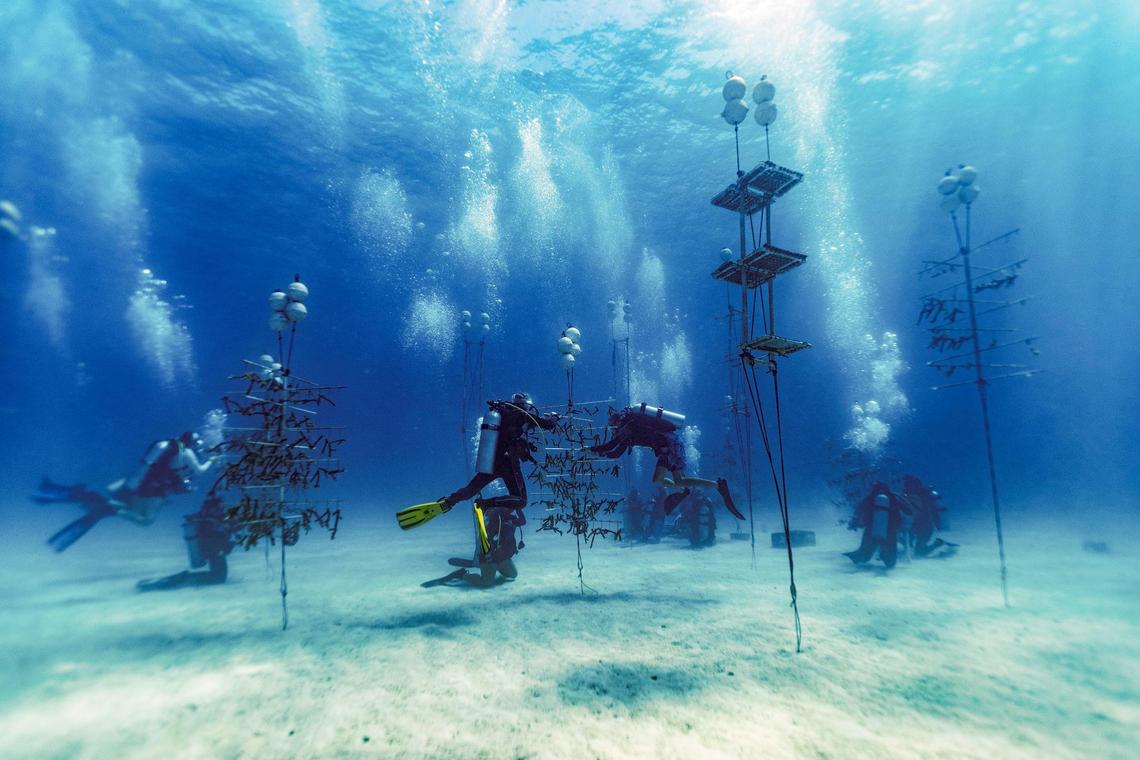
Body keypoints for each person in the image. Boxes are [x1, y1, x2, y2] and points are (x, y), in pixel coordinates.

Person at [402, 392, 558, 586]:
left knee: (469, 490)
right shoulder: (522, 414)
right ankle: (484, 504)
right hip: (508, 463)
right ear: (525, 405)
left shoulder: (502, 414)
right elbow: (547, 425)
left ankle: (448, 502)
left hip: (491, 462)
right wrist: (554, 419)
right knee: (521, 500)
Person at [34, 431, 217, 552]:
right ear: (191, 443)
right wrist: (213, 458)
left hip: (134, 482)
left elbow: (151, 466)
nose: (197, 448)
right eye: (197, 444)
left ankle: (57, 493)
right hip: (151, 491)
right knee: (144, 520)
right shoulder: (186, 453)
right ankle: (108, 506)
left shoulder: (164, 445)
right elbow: (200, 471)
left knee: (111, 505)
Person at [589, 403, 744, 521]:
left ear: (618, 423)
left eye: (612, 427)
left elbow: (612, 446)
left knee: (677, 479)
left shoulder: (628, 428)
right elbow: (616, 451)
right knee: (660, 479)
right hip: (667, 446)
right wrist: (596, 453)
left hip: (669, 447)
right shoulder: (628, 431)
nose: (612, 430)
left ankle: (716, 485)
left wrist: (591, 450)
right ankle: (688, 490)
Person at [137, 494, 234, 591]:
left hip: (214, 552)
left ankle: (177, 579)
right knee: (218, 578)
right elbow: (216, 539)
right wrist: (227, 544)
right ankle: (171, 582)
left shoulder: (209, 521)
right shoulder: (210, 523)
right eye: (220, 507)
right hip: (214, 553)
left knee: (217, 577)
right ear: (212, 509)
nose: (223, 510)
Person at [843, 481, 911, 569]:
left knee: (864, 556)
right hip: (890, 531)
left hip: (871, 529)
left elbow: (859, 509)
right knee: (890, 563)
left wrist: (855, 523)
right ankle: (883, 556)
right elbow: (909, 511)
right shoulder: (894, 497)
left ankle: (849, 558)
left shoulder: (870, 498)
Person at [901, 475, 955, 558]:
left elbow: (934, 512)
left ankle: (938, 543)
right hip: (913, 525)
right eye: (907, 485)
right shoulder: (906, 497)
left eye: (909, 485)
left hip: (925, 526)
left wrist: (938, 524)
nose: (907, 487)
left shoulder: (926, 497)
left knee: (919, 552)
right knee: (908, 544)